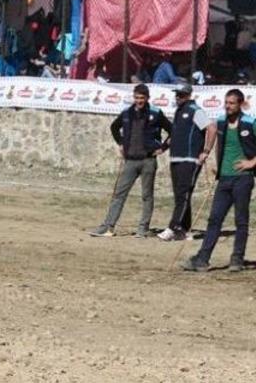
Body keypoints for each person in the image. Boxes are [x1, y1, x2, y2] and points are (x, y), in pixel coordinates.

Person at [182, 89, 256, 272]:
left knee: (241, 220)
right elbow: (212, 129)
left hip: (243, 179)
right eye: (226, 102)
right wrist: (207, 152)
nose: (228, 106)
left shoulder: (250, 122)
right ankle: (202, 259)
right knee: (214, 219)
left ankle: (237, 260)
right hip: (224, 179)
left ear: (240, 104)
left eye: (232, 103)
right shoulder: (221, 122)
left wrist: (251, 162)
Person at [90, 83, 173, 238]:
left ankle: (143, 228)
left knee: (147, 195)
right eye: (136, 97)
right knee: (119, 194)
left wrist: (163, 148)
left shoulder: (156, 113)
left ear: (147, 98)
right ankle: (108, 227)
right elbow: (114, 127)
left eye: (142, 98)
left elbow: (172, 130)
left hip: (148, 160)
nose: (139, 101)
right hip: (130, 161)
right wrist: (121, 143)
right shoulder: (127, 113)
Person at [157, 82, 211, 241]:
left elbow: (211, 128)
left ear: (188, 95)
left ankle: (173, 227)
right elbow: (175, 134)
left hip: (190, 158)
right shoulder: (179, 111)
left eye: (180, 94)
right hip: (176, 157)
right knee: (180, 195)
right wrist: (163, 148)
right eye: (176, 94)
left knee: (183, 193)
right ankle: (183, 229)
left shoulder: (195, 110)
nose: (177, 97)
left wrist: (206, 151)